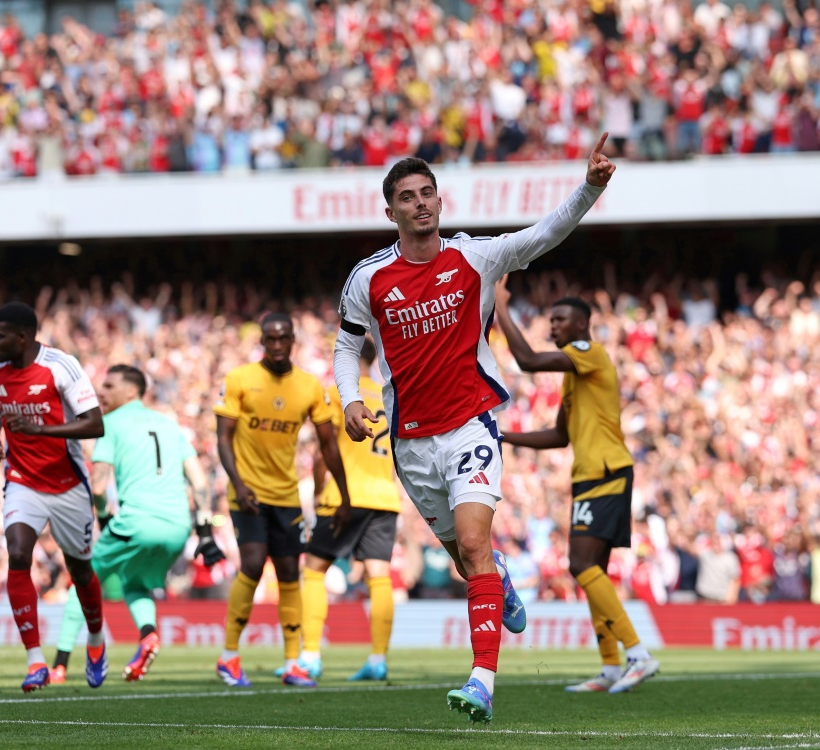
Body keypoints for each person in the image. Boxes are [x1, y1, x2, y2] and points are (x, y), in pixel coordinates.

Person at [333, 135, 615, 724]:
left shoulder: (475, 257)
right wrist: (351, 400)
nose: (420, 204)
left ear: (440, 200)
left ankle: (482, 681)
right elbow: (346, 343)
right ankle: (499, 581)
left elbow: (543, 233)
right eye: (407, 198)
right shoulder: (369, 277)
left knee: (474, 542)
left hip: (470, 424)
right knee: (469, 560)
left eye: (427, 193)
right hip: (409, 441)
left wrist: (589, 187)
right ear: (390, 212)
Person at [493, 279, 660, 694]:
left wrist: (499, 308)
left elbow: (529, 359)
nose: (553, 326)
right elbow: (559, 436)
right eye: (550, 320)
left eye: (560, 320)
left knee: (581, 565)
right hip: (590, 475)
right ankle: (608, 667)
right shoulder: (575, 375)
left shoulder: (588, 352)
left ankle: (638, 654)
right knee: (593, 570)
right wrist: (503, 436)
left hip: (605, 472)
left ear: (583, 325)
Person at [49, 365, 223, 683]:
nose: (101, 392)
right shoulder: (170, 425)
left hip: (137, 522)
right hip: (177, 528)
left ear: (132, 392)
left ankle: (59, 665)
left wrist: (104, 518)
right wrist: (205, 532)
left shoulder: (110, 423)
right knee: (135, 584)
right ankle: (148, 636)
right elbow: (200, 481)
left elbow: (99, 486)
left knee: (82, 580)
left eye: (109, 386)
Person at [214, 312, 352, 688]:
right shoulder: (240, 379)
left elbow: (328, 443)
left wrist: (344, 493)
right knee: (255, 564)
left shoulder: (308, 386)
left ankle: (293, 663)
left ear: (293, 340)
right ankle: (228, 656)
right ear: (261, 341)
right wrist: (238, 484)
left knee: (291, 573)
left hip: (287, 496)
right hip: (248, 493)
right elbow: (223, 439)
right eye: (270, 339)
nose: (276, 346)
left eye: (283, 339)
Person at [0, 302, 107, 692]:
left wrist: (39, 432)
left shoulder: (60, 365)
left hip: (68, 483)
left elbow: (95, 424)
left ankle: (97, 639)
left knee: (80, 570)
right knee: (18, 553)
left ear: (22, 338)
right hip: (22, 479)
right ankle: (36, 661)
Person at [294, 337, 402, 681]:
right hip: (384, 496)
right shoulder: (391, 395)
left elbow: (327, 449)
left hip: (345, 496)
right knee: (379, 577)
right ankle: (378, 659)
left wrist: (319, 494)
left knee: (313, 570)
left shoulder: (342, 392)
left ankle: (310, 655)